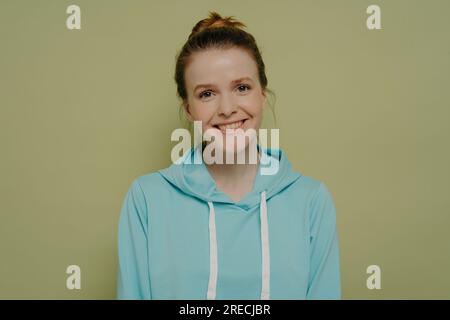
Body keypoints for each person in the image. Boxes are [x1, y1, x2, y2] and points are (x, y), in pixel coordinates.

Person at [116, 11, 341, 300]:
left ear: (262, 94)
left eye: (242, 88)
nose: (226, 108)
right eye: (207, 94)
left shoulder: (312, 201)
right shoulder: (146, 199)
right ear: (188, 109)